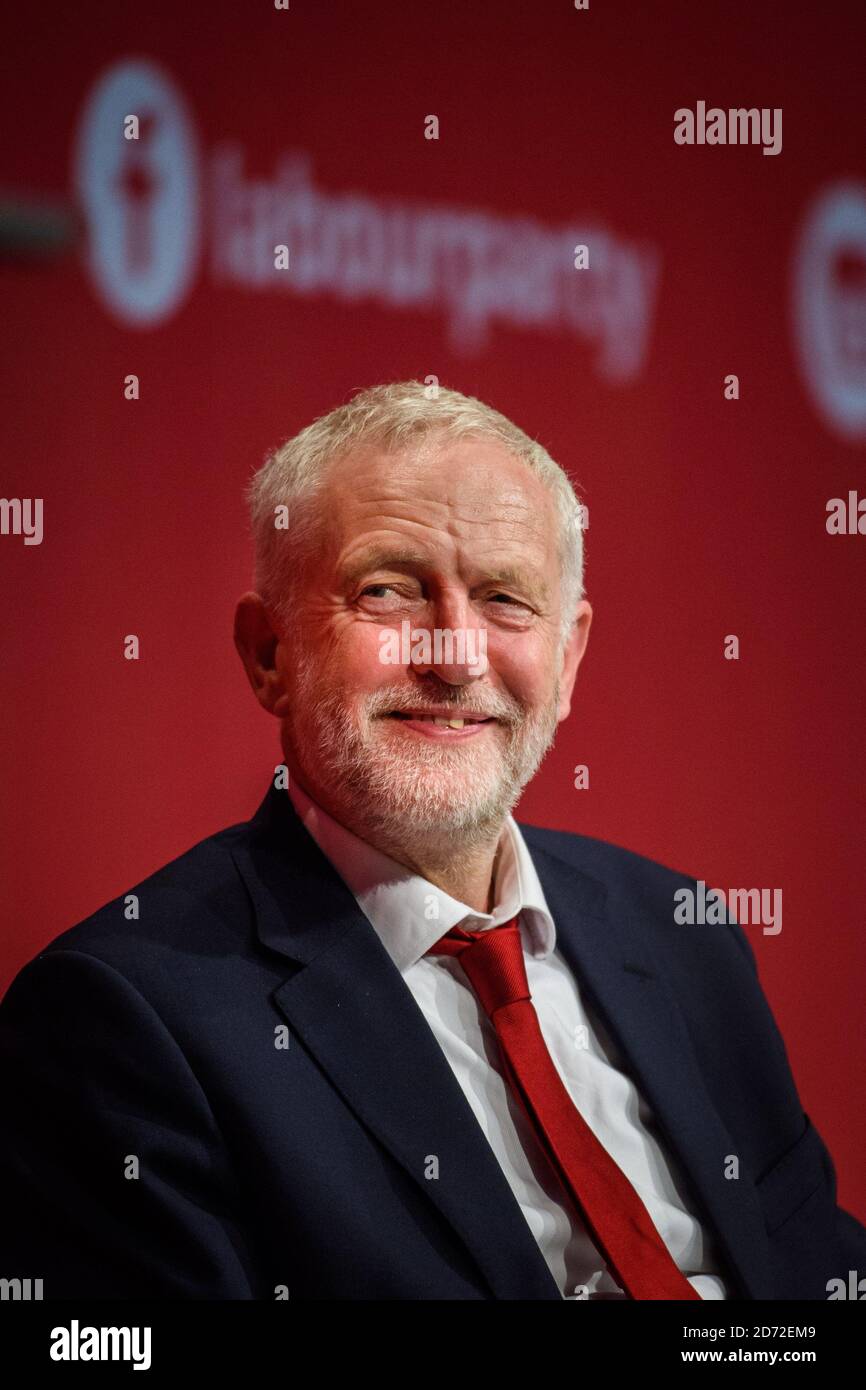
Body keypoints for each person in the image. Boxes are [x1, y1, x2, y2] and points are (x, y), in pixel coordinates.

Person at [1, 380, 863, 1300]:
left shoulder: (685, 933)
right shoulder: (124, 1018)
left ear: (567, 660)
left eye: (504, 600)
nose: (455, 655)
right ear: (269, 654)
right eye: (388, 591)